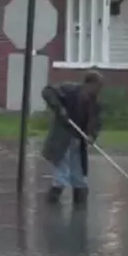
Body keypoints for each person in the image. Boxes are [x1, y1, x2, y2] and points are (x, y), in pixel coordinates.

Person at [41, 71, 104, 205]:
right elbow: (47, 91)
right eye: (98, 86)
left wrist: (92, 135)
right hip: (62, 139)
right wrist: (59, 107)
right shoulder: (70, 90)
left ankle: (79, 199)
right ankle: (53, 200)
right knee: (62, 170)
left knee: (78, 173)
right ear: (89, 84)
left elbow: (96, 122)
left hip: (78, 141)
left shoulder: (94, 104)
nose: (99, 90)